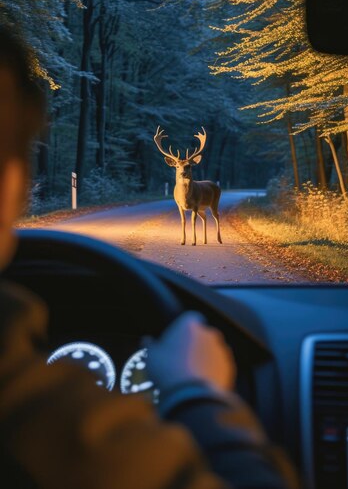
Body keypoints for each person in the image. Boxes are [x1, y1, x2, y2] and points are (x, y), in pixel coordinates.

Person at [0, 26, 297, 489]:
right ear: (16, 184)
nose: (181, 168)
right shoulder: (27, 402)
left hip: (205, 203)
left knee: (203, 218)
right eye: (178, 166)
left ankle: (207, 238)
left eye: (184, 165)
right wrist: (197, 395)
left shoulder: (203, 186)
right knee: (186, 217)